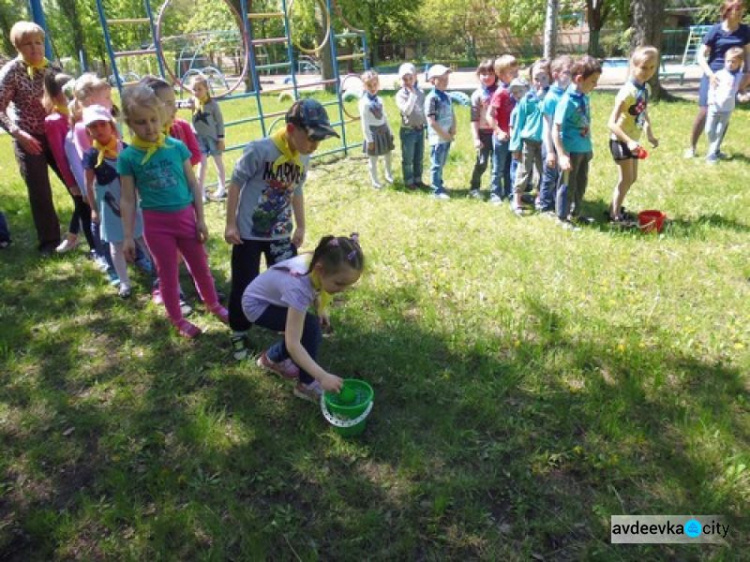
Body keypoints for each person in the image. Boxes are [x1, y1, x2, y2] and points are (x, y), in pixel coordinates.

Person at [225, 98, 339, 360]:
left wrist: (300, 224)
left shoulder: (304, 157)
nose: (315, 145)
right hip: (247, 234)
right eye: (311, 138)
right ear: (290, 130)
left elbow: (296, 190)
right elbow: (235, 184)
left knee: (290, 282)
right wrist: (231, 223)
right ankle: (239, 333)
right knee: (244, 281)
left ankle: (288, 325)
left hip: (280, 233)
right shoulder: (259, 150)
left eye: (319, 140)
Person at [118, 85, 228, 338]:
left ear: (162, 114)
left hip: (185, 219)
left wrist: (200, 218)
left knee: (200, 265)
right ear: (129, 124)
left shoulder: (177, 147)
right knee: (167, 273)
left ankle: (213, 304)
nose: (150, 127)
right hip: (157, 226)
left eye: (154, 119)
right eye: (141, 122)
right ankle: (177, 319)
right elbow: (127, 199)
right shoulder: (129, 157)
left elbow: (192, 184)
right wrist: (126, 236)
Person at [242, 234, 364, 402]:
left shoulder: (315, 264)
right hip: (257, 306)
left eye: (347, 285)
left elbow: (316, 286)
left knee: (306, 328)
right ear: (320, 270)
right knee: (310, 328)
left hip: (270, 299)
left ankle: (270, 359)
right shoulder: (299, 286)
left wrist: (319, 307)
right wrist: (322, 376)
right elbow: (293, 344)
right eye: (339, 283)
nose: (343, 289)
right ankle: (307, 385)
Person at [0, 21, 62, 255]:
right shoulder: (12, 72)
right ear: (18, 47)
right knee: (40, 191)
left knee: (75, 183)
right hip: (28, 137)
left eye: (38, 43)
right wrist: (18, 133)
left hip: (55, 135)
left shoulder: (52, 68)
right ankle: (49, 241)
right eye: (28, 44)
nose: (35, 49)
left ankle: (88, 229)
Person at [83, 105, 151, 299]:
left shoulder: (126, 149)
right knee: (116, 245)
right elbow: (88, 184)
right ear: (89, 131)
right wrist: (94, 209)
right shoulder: (91, 155)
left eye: (102, 124)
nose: (99, 130)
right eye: (93, 126)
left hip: (133, 202)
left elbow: (139, 174)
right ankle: (124, 282)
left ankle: (158, 271)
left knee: (143, 238)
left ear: (111, 126)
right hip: (110, 206)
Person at [685, 0, 750, 158]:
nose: (741, 12)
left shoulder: (745, 31)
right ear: (727, 11)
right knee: (705, 110)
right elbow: (701, 56)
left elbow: (748, 54)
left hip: (733, 77)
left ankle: (715, 149)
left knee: (724, 111)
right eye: (737, 9)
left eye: (742, 10)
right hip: (713, 75)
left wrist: (747, 74)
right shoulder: (715, 30)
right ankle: (692, 147)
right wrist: (710, 74)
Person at [42, 71, 96, 255]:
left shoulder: (79, 113)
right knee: (83, 205)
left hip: (87, 167)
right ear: (57, 96)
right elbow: (59, 156)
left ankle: (72, 236)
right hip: (72, 172)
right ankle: (95, 247)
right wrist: (72, 183)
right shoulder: (54, 121)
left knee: (86, 203)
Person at [607, 46, 660, 223]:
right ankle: (614, 215)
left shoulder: (645, 89)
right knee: (626, 179)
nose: (648, 72)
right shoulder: (626, 92)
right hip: (621, 140)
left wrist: (650, 134)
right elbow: (611, 123)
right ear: (633, 66)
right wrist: (629, 141)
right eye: (644, 67)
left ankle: (615, 206)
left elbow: (643, 113)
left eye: (652, 67)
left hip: (633, 141)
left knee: (632, 178)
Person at [553, 55, 602, 230]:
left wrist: (588, 148)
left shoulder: (584, 96)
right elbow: (555, 129)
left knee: (581, 183)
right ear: (580, 79)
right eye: (593, 81)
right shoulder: (566, 101)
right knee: (567, 185)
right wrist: (561, 155)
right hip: (570, 151)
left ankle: (576, 212)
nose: (595, 86)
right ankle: (562, 217)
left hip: (583, 149)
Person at [510, 60, 550, 216]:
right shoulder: (528, 98)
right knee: (523, 170)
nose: (540, 82)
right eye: (536, 79)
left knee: (542, 171)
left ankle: (540, 198)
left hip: (545, 142)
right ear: (531, 80)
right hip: (528, 141)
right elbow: (518, 123)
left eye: (544, 78)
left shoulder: (551, 96)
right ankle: (517, 200)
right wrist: (516, 146)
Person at [139, 76, 202, 169]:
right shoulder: (144, 139)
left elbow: (196, 155)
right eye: (169, 103)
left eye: (174, 102)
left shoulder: (181, 127)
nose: (175, 108)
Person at [539, 55, 573, 214]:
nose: (571, 76)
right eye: (568, 72)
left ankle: (558, 202)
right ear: (556, 74)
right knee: (549, 176)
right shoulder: (551, 97)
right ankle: (545, 206)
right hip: (551, 144)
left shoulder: (570, 94)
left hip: (565, 141)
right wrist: (551, 151)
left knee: (562, 175)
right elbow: (547, 126)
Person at [487, 54, 520, 204]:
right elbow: (490, 116)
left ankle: (510, 192)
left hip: (514, 136)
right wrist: (499, 131)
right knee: (498, 167)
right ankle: (495, 193)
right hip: (502, 137)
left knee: (510, 166)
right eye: (511, 73)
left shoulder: (517, 91)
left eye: (516, 71)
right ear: (501, 75)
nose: (516, 75)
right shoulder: (500, 93)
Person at [189, 74, 227, 200]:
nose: (197, 92)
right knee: (202, 164)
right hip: (199, 138)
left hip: (213, 137)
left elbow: (220, 122)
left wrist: (221, 139)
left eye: (199, 89)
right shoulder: (192, 103)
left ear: (206, 89)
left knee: (218, 161)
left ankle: (222, 187)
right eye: (194, 89)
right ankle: (201, 192)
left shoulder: (212, 105)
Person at [704, 46, 744, 164]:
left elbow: (738, 91)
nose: (730, 64)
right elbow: (712, 88)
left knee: (719, 131)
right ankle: (714, 149)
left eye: (733, 62)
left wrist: (742, 96)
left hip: (727, 109)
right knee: (709, 130)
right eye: (728, 61)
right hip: (714, 107)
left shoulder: (739, 76)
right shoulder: (719, 74)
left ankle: (711, 154)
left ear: (739, 63)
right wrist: (711, 99)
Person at [424, 64, 456, 200]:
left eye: (446, 78)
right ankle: (436, 190)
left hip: (447, 136)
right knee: (436, 163)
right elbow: (431, 121)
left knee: (442, 162)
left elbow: (452, 113)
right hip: (438, 137)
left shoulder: (447, 96)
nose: (445, 81)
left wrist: (454, 127)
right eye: (441, 79)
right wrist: (444, 134)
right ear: (432, 81)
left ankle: (440, 183)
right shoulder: (432, 98)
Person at [359, 70, 394, 189]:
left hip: (383, 130)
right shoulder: (364, 103)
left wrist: (390, 131)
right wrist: (369, 139)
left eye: (375, 85)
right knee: (373, 159)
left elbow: (384, 116)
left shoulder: (379, 100)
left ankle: (388, 175)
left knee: (388, 155)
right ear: (364, 86)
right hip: (373, 134)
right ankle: (375, 181)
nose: (373, 88)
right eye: (369, 85)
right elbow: (364, 122)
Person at [468, 59, 498, 199]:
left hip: (498, 133)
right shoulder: (476, 95)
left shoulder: (501, 92)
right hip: (483, 134)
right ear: (479, 75)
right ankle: (474, 187)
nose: (487, 77)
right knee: (482, 162)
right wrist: (476, 138)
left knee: (497, 163)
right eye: (483, 73)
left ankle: (497, 189)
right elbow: (474, 119)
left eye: (490, 73)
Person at [395, 62, 427, 190]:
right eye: (405, 79)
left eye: (410, 78)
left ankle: (418, 179)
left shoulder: (421, 92)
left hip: (420, 129)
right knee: (408, 158)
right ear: (400, 80)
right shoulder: (400, 95)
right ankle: (409, 181)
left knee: (418, 157)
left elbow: (423, 110)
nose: (408, 81)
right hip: (408, 131)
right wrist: (412, 96)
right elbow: (406, 111)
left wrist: (427, 125)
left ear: (415, 77)